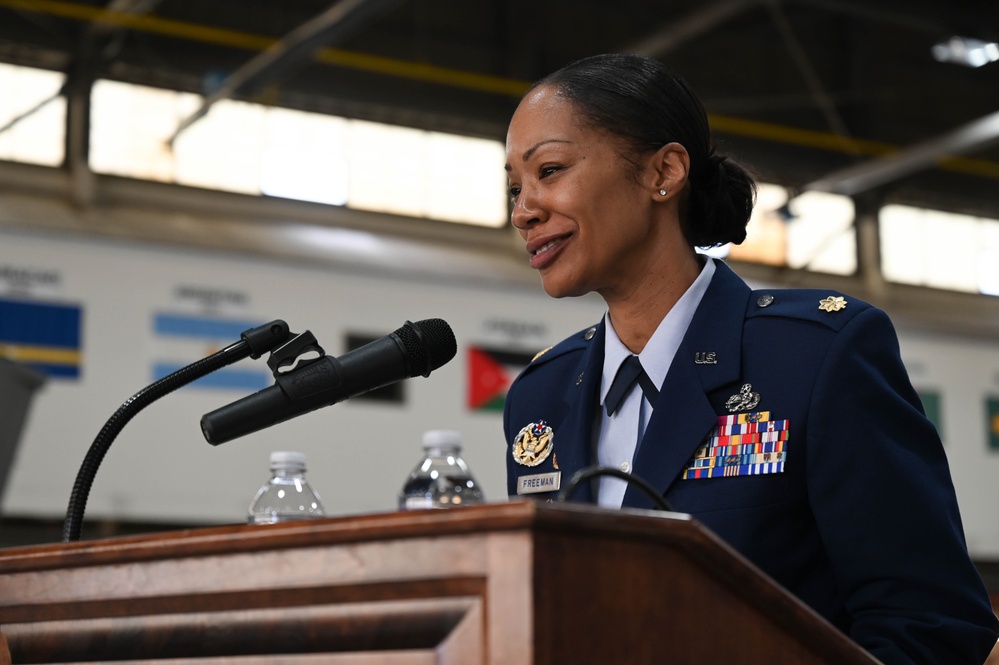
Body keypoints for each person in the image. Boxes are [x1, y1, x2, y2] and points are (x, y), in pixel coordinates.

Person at [501, 53, 998, 665]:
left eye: (549, 170)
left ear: (665, 172)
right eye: (515, 188)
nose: (524, 210)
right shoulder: (542, 396)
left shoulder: (815, 357)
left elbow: (932, 624)